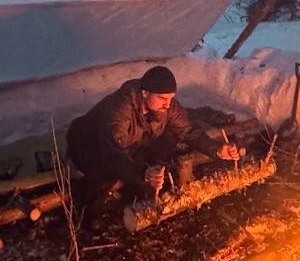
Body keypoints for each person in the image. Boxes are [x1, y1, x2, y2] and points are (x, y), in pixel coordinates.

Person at [65, 65, 241, 226]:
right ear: (144, 93)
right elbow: (115, 156)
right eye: (162, 98)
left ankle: (151, 177)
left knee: (171, 135)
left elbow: (187, 130)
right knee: (106, 176)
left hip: (131, 143)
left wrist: (216, 149)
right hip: (90, 146)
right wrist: (143, 173)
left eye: (170, 98)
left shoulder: (166, 106)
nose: (167, 104)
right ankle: (85, 210)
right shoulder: (118, 112)